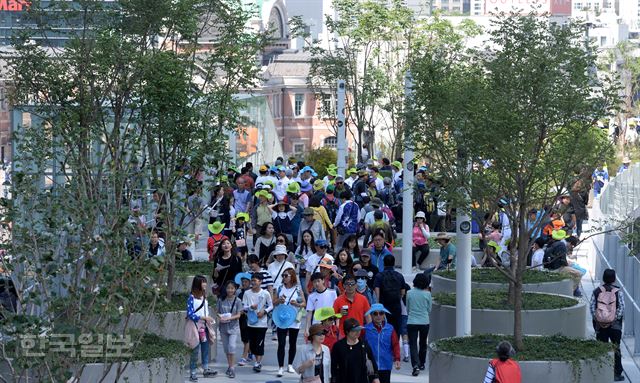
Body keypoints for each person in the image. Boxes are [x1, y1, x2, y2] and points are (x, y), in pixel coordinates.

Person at [590, 269, 625, 381]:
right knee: (616, 348)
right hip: (615, 326)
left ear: (603, 278)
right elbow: (622, 308)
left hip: (600, 325)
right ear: (614, 279)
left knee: (601, 348)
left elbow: (592, 307)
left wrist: (599, 319)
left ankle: (602, 371)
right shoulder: (618, 292)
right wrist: (614, 319)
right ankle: (617, 373)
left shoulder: (597, 291)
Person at [274, 268, 306, 377]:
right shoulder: (279, 288)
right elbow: (273, 303)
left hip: (293, 319)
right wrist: (279, 301)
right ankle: (280, 367)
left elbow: (304, 303)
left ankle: (290, 364)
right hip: (282, 318)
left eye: (286, 275)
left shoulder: (297, 289)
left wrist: (297, 304)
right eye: (283, 275)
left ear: (292, 276)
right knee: (281, 343)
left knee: (293, 343)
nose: (284, 277)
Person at [186, 275, 218, 381]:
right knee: (195, 349)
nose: (205, 284)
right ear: (197, 284)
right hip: (195, 326)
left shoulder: (204, 296)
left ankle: (205, 368)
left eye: (205, 282)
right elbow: (190, 314)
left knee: (205, 348)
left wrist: (208, 319)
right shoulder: (191, 297)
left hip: (204, 326)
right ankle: (193, 372)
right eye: (202, 282)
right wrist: (203, 317)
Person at [331, 318, 380, 383]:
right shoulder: (338, 346)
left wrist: (375, 377)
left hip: (362, 380)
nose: (358, 332)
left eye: (359, 329)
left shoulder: (364, 344)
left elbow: (371, 361)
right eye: (354, 330)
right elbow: (333, 366)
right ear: (347, 331)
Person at [242, 273, 273, 373]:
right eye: (252, 280)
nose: (253, 282)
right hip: (251, 322)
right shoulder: (247, 293)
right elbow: (244, 307)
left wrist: (264, 312)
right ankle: (256, 360)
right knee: (253, 344)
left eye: (255, 280)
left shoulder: (265, 293)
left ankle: (258, 363)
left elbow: (271, 305)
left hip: (262, 323)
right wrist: (250, 307)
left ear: (260, 282)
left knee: (260, 343)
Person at [363, 303, 401, 383]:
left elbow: (395, 344)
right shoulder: (366, 329)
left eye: (381, 313)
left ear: (384, 315)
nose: (378, 316)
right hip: (371, 366)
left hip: (386, 365)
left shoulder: (390, 328)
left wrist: (397, 359)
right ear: (371, 315)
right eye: (375, 313)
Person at [406, 273, 431, 376]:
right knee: (423, 343)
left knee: (413, 344)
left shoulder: (409, 293)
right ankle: (422, 363)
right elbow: (429, 309)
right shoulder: (428, 294)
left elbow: (407, 308)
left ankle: (415, 365)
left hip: (412, 321)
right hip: (424, 321)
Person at [374, 255, 406, 336]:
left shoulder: (379, 276)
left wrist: (377, 303)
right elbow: (402, 292)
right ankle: (395, 345)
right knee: (396, 328)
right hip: (396, 306)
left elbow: (377, 291)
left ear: (383, 263)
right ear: (394, 263)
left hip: (384, 305)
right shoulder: (399, 276)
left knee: (384, 327)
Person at [217, 280, 242, 378]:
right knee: (226, 349)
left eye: (232, 288)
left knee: (232, 347)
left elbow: (239, 315)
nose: (230, 290)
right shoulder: (221, 299)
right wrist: (221, 317)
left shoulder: (238, 301)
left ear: (235, 289)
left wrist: (229, 318)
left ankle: (232, 368)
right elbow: (217, 311)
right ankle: (230, 365)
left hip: (233, 327)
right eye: (228, 288)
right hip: (223, 327)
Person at [305, 272, 338, 337]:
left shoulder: (332, 293)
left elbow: (336, 310)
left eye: (318, 281)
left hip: (330, 325)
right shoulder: (311, 296)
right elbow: (309, 314)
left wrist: (337, 324)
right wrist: (307, 328)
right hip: (317, 326)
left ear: (323, 280)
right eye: (314, 282)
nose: (317, 284)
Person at [234, 272, 254, 367]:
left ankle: (244, 357)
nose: (244, 283)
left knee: (247, 339)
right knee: (244, 338)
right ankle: (250, 352)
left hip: (249, 317)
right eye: (243, 282)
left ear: (250, 283)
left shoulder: (252, 293)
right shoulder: (239, 293)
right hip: (241, 318)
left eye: (246, 282)